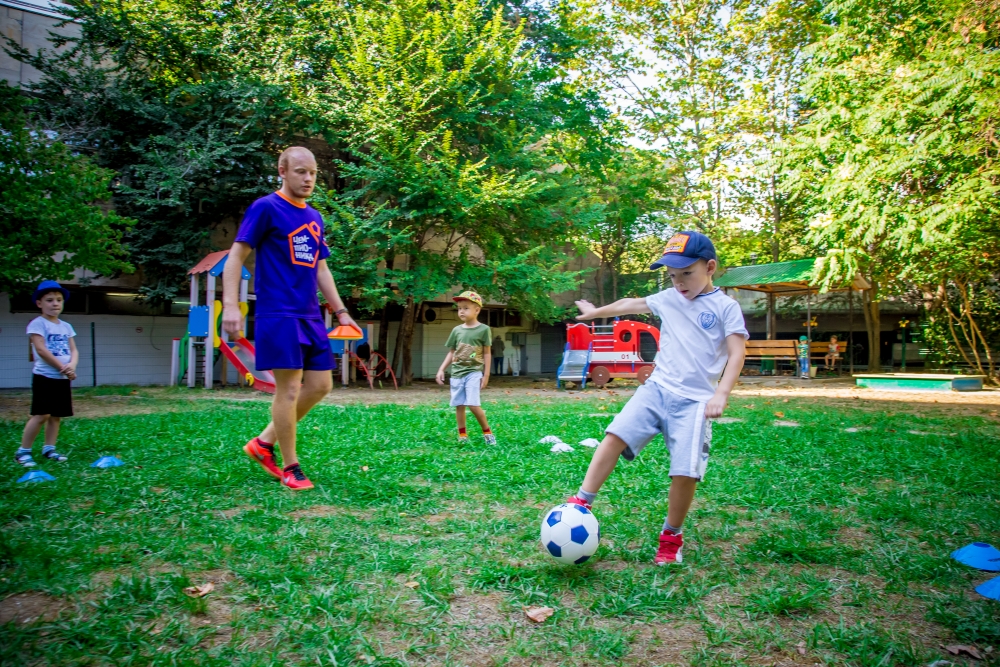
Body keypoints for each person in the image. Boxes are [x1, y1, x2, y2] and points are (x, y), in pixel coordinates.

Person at [564, 231, 747, 565]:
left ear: (710, 267)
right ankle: (582, 500)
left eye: (686, 274)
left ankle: (671, 535)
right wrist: (594, 312)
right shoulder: (671, 298)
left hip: (695, 402)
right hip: (656, 389)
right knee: (614, 435)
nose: (679, 283)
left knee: (685, 471)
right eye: (673, 276)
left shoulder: (726, 307)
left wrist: (721, 394)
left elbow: (737, 353)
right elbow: (628, 305)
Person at [222, 146, 359, 491]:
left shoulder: (315, 217)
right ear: (281, 170)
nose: (308, 178)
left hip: (309, 314)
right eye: (300, 171)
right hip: (278, 313)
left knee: (321, 385)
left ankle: (263, 443)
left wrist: (340, 311)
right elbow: (236, 257)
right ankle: (290, 466)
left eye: (313, 172)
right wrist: (231, 305)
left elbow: (321, 268)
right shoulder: (266, 208)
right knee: (290, 388)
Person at [16, 281, 77, 467]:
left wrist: (71, 366)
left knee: (56, 416)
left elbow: (74, 350)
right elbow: (41, 350)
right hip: (45, 377)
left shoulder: (66, 326)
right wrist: (62, 367)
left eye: (59, 300)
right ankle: (23, 452)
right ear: (39, 303)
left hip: (62, 378)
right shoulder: (37, 324)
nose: (55, 304)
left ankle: (49, 448)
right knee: (41, 415)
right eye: (49, 300)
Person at [436, 291, 496, 445]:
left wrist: (486, 374)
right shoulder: (457, 330)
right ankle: (462, 435)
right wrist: (441, 369)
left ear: (477, 310)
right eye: (459, 308)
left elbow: (487, 353)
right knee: (459, 405)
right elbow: (452, 352)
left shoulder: (483, 329)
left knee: (473, 404)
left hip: (473, 372)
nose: (461, 311)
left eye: (465, 308)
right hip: (456, 373)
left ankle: (487, 433)